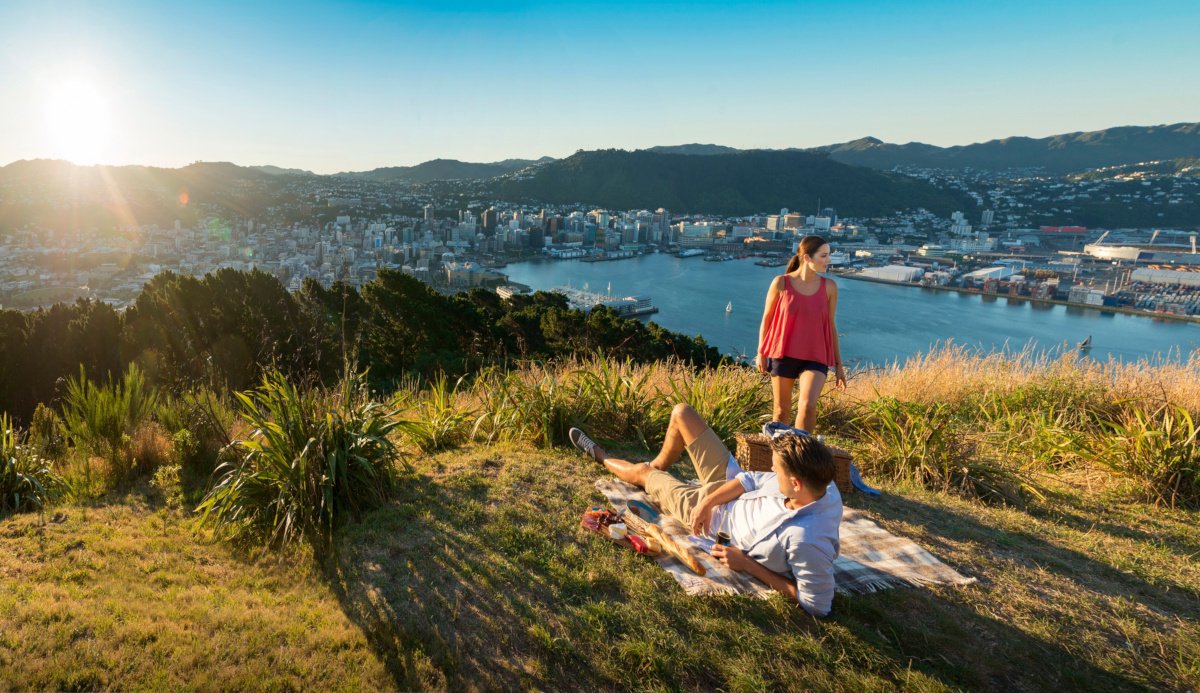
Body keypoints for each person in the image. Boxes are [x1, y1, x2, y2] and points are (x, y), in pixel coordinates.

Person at [569, 403, 842, 617]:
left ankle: (603, 456)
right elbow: (749, 479)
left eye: (777, 470)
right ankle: (655, 469)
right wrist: (708, 501)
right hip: (721, 490)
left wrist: (746, 564)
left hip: (712, 523)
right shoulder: (821, 484)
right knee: (683, 414)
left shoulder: (807, 542)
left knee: (641, 473)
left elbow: (817, 605)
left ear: (795, 483)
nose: (772, 470)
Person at [756, 235, 846, 432]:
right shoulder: (781, 283)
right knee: (781, 413)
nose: (828, 260)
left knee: (807, 406)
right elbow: (767, 319)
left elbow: (831, 326)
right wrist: (761, 353)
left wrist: (839, 365)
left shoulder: (829, 287)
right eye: (823, 256)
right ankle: (778, 461)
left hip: (816, 356)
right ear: (807, 258)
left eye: (828, 255)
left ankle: (802, 460)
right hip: (782, 353)